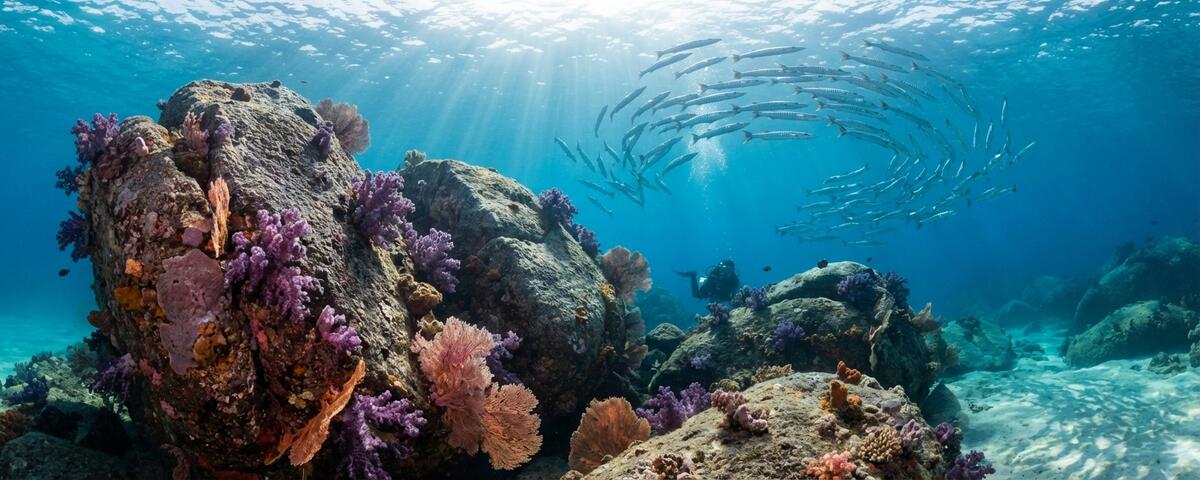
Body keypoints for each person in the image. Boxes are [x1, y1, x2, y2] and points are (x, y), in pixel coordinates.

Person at [675, 259, 740, 303]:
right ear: (721, 268)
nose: (725, 272)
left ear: (733, 271)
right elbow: (708, 284)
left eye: (728, 270)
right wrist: (711, 295)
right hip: (711, 289)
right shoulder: (715, 273)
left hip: (723, 294)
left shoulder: (734, 279)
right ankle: (693, 275)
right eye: (724, 269)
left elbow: (736, 291)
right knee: (696, 295)